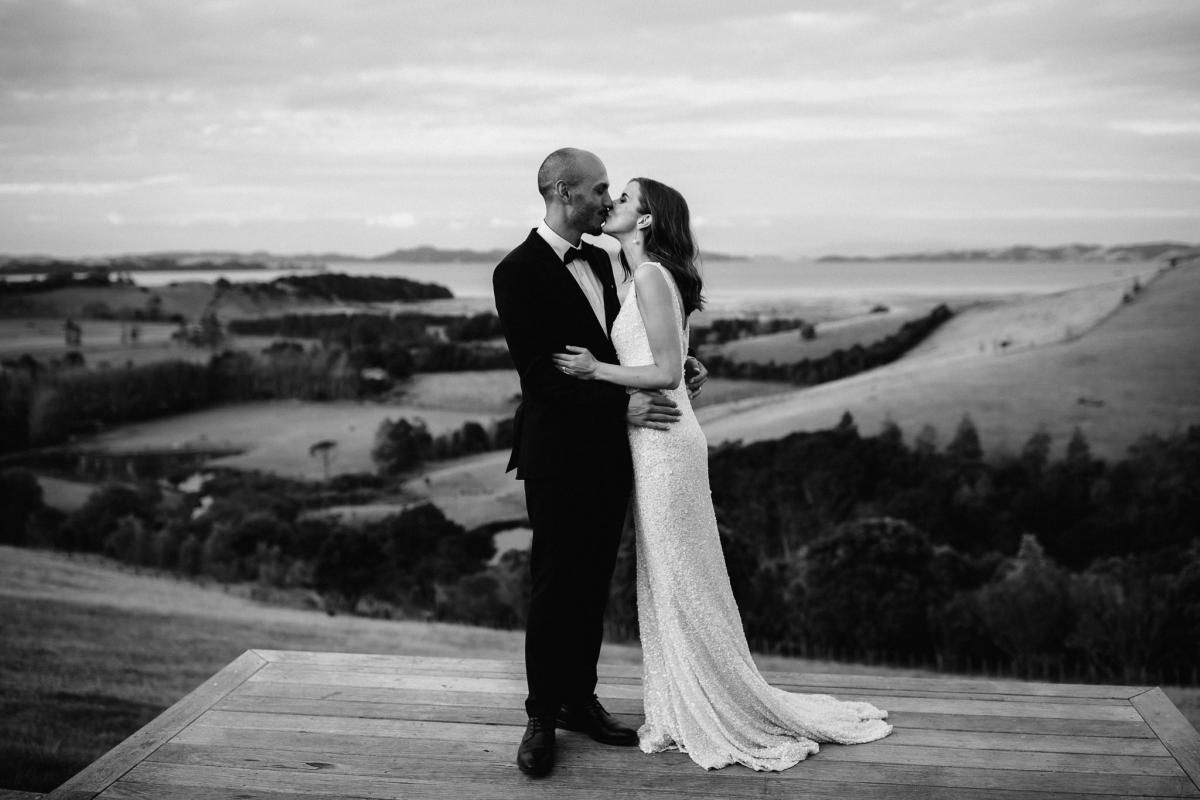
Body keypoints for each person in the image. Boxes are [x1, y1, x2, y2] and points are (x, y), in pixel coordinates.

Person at [553, 177, 893, 771]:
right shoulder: (632, 276)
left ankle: (717, 705)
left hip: (665, 445)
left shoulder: (653, 276)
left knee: (683, 575)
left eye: (624, 200)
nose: (611, 205)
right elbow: (671, 360)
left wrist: (594, 370)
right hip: (652, 440)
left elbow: (660, 373)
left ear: (649, 220)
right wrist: (680, 361)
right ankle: (683, 700)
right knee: (667, 575)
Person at [492, 148, 708, 777]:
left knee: (592, 583)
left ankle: (579, 701)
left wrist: (679, 360)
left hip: (613, 455)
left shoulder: (607, 257)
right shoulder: (518, 272)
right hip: (558, 453)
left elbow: (634, 337)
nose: (605, 199)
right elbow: (541, 379)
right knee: (556, 584)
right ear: (563, 191)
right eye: (599, 189)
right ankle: (540, 715)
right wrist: (622, 410)